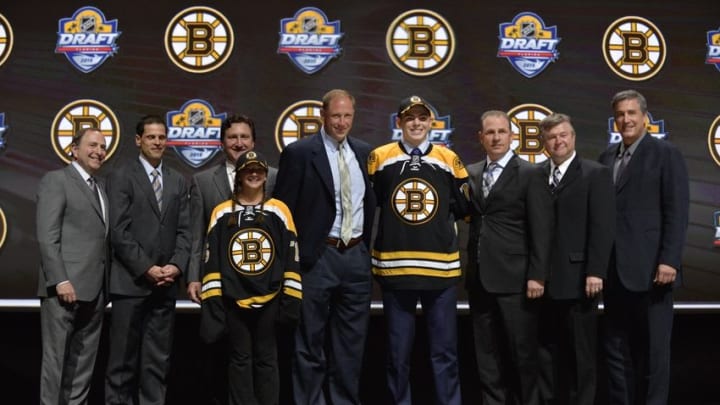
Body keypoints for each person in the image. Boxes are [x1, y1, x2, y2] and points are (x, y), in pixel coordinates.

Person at [273, 88, 376, 404]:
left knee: (350, 347)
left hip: (356, 258)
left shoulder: (364, 152)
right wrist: (294, 260)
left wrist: (364, 251)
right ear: (323, 116)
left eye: (347, 116)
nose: (342, 122)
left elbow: (369, 205)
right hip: (317, 259)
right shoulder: (300, 152)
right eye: (336, 116)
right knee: (309, 344)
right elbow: (282, 212)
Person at [367, 95, 468, 405]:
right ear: (399, 122)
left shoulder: (449, 158)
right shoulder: (378, 158)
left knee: (445, 353)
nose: (416, 123)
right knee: (398, 355)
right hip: (396, 271)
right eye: (409, 117)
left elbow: (464, 208)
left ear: (430, 123)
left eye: (422, 117)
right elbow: (369, 208)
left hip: (441, 271)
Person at [598, 90, 689, 405]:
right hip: (613, 274)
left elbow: (677, 211)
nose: (626, 119)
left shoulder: (666, 153)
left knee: (654, 354)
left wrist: (669, 260)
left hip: (653, 272)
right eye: (620, 114)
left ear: (645, 117)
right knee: (615, 351)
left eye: (631, 113)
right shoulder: (606, 157)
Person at [186, 114, 278, 405]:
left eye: (244, 137)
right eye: (232, 137)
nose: (239, 143)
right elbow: (196, 235)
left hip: (264, 286)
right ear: (221, 143)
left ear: (254, 141)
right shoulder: (202, 181)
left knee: (264, 355)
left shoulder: (273, 176)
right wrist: (193, 276)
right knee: (223, 353)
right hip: (222, 285)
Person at [199, 151, 301, 405]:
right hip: (234, 299)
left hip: (271, 297)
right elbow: (211, 260)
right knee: (239, 358)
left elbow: (291, 257)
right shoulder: (222, 213)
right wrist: (213, 303)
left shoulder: (279, 210)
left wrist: (290, 298)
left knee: (267, 358)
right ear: (239, 175)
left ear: (266, 175)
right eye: (248, 170)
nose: (254, 174)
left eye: (259, 170)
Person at [465, 110, 552, 405]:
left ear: (512, 136)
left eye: (502, 132)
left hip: (516, 280)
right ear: (481, 138)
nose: (496, 137)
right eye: (490, 132)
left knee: (522, 356)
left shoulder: (531, 173)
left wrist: (537, 275)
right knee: (486, 358)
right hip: (479, 280)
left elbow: (541, 230)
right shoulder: (472, 173)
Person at [105, 114, 192, 405]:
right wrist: (147, 268)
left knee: (157, 362)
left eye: (162, 137)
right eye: (151, 137)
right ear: (138, 140)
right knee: (122, 364)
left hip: (165, 285)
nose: (157, 142)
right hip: (130, 283)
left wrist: (176, 266)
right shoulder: (121, 175)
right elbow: (118, 231)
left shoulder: (178, 180)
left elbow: (185, 231)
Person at [537, 113, 615, 405]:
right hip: (542, 282)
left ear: (573, 137)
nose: (558, 141)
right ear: (544, 142)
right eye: (552, 137)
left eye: (563, 135)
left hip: (581, 279)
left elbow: (603, 226)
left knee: (581, 355)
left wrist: (596, 271)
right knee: (545, 352)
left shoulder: (596, 173)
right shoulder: (536, 173)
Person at [36, 127, 109, 405]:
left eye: (102, 146)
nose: (98, 151)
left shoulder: (100, 187)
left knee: (82, 365)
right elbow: (47, 236)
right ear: (74, 149)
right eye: (92, 145)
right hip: (63, 288)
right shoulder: (56, 180)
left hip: (95, 290)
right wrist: (60, 279)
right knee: (55, 362)